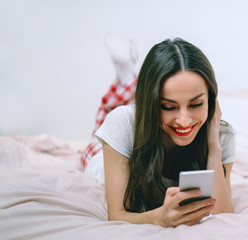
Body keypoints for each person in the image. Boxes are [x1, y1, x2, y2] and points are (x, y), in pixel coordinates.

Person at [83, 37, 236, 227]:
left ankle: (128, 81)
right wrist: (159, 218)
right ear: (151, 104)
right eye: (168, 107)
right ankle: (126, 79)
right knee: (108, 118)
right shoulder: (121, 123)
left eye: (196, 104)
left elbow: (223, 216)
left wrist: (214, 148)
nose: (184, 120)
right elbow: (117, 215)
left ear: (211, 100)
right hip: (101, 155)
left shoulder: (222, 135)